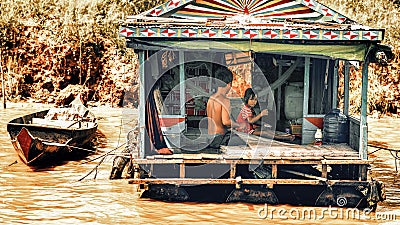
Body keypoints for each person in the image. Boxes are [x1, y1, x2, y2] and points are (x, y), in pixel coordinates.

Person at [206, 67, 246, 148]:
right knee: (245, 141)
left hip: (210, 138)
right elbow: (226, 122)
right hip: (219, 139)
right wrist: (239, 125)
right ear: (229, 84)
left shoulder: (211, 98)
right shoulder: (224, 100)